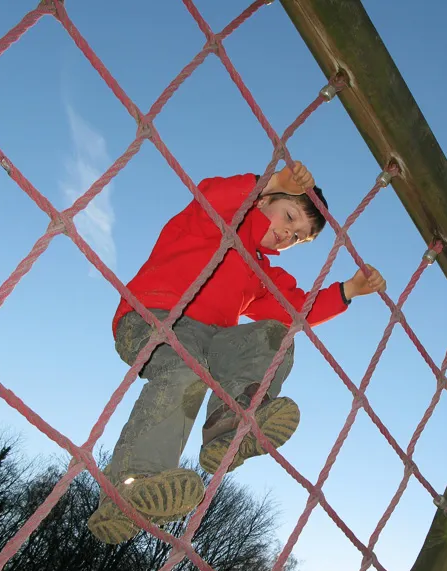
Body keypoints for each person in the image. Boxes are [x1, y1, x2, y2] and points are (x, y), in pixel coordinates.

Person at [88, 163, 387, 544]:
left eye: (298, 237)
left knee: (274, 335)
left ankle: (230, 421)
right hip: (155, 316)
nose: (287, 234)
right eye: (289, 217)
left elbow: (295, 309)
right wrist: (274, 180)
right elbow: (212, 192)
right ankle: (129, 488)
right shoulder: (216, 216)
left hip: (211, 341)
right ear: (265, 199)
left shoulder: (261, 272)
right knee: (185, 371)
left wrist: (348, 290)